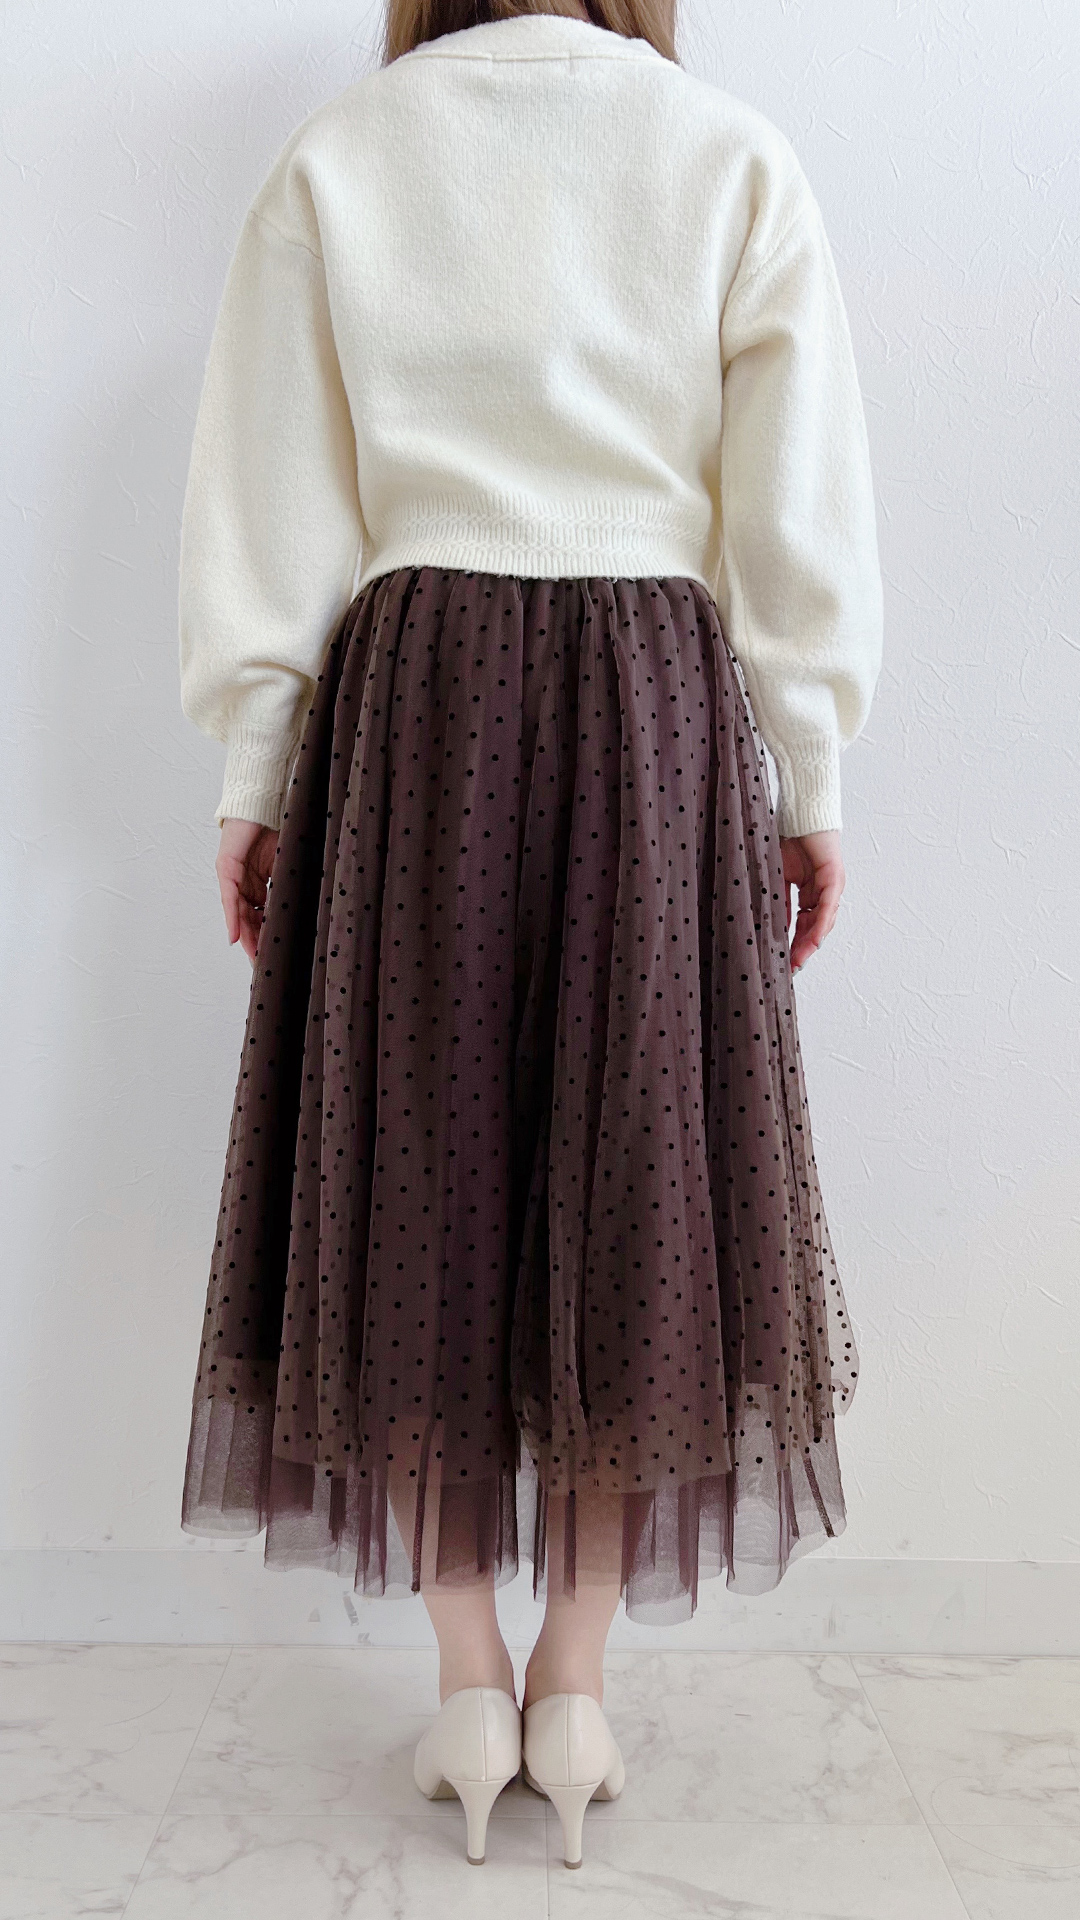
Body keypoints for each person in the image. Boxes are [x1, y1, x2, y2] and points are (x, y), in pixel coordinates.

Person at [177, 0, 883, 1870]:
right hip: (653, 692)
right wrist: (809, 774)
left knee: (419, 1172)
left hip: (415, 700)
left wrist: (256, 761)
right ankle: (575, 1680)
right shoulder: (725, 153)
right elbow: (796, 497)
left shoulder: (348, 151)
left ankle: (469, 1679)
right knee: (633, 1170)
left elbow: (270, 489)